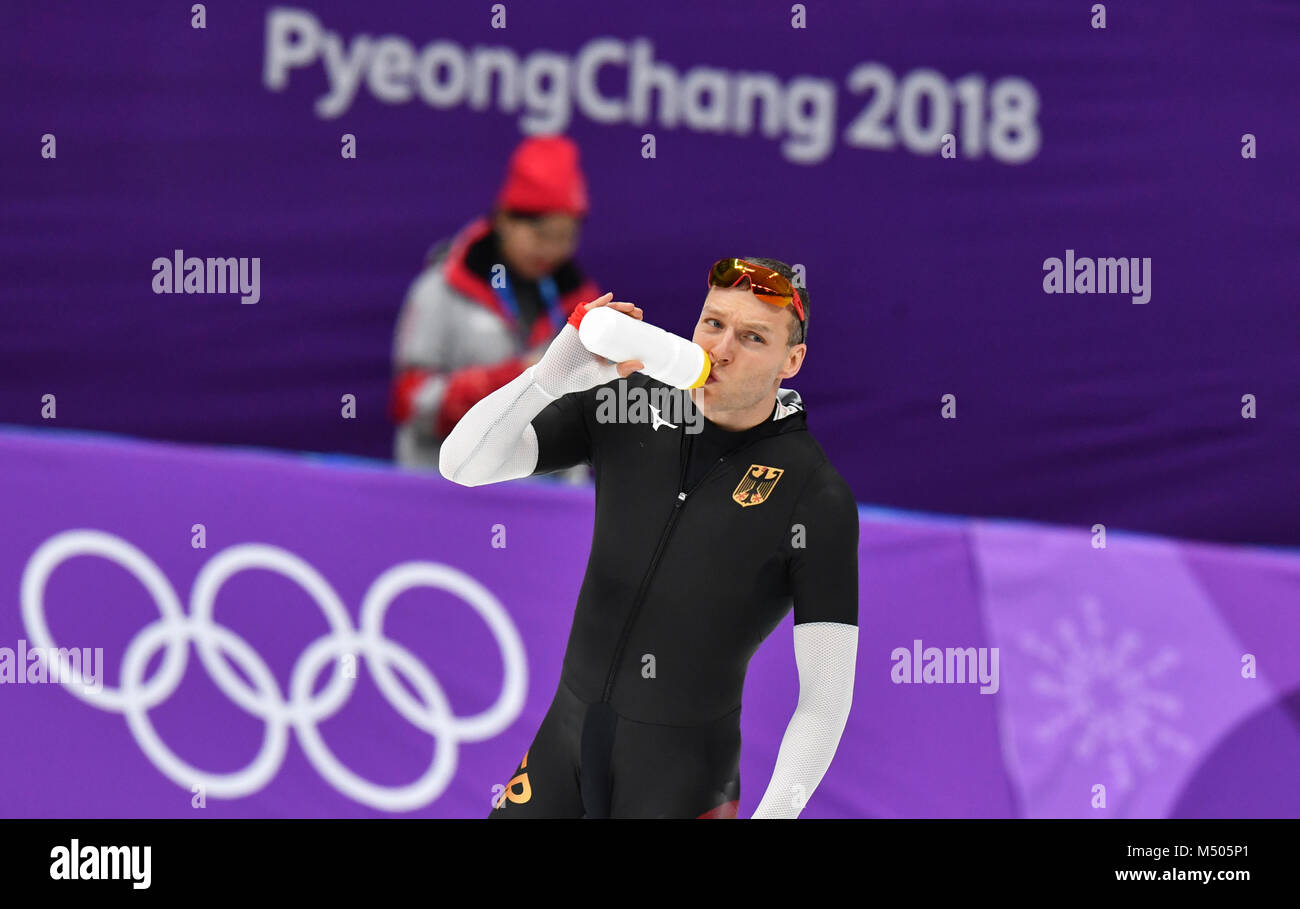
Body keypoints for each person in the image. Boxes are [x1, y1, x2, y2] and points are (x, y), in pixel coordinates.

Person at [441, 258, 859, 818]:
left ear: (793, 361)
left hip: (682, 784)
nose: (722, 350)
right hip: (563, 749)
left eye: (752, 337)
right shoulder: (628, 405)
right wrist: (546, 379)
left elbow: (825, 701)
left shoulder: (814, 494)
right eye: (713, 324)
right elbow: (462, 464)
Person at [389, 134, 602, 477]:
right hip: (445, 492)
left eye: (565, 236)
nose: (552, 249)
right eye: (542, 234)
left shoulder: (581, 306)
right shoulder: (440, 292)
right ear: (504, 219)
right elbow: (412, 403)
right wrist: (519, 380)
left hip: (543, 506)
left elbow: (586, 419)